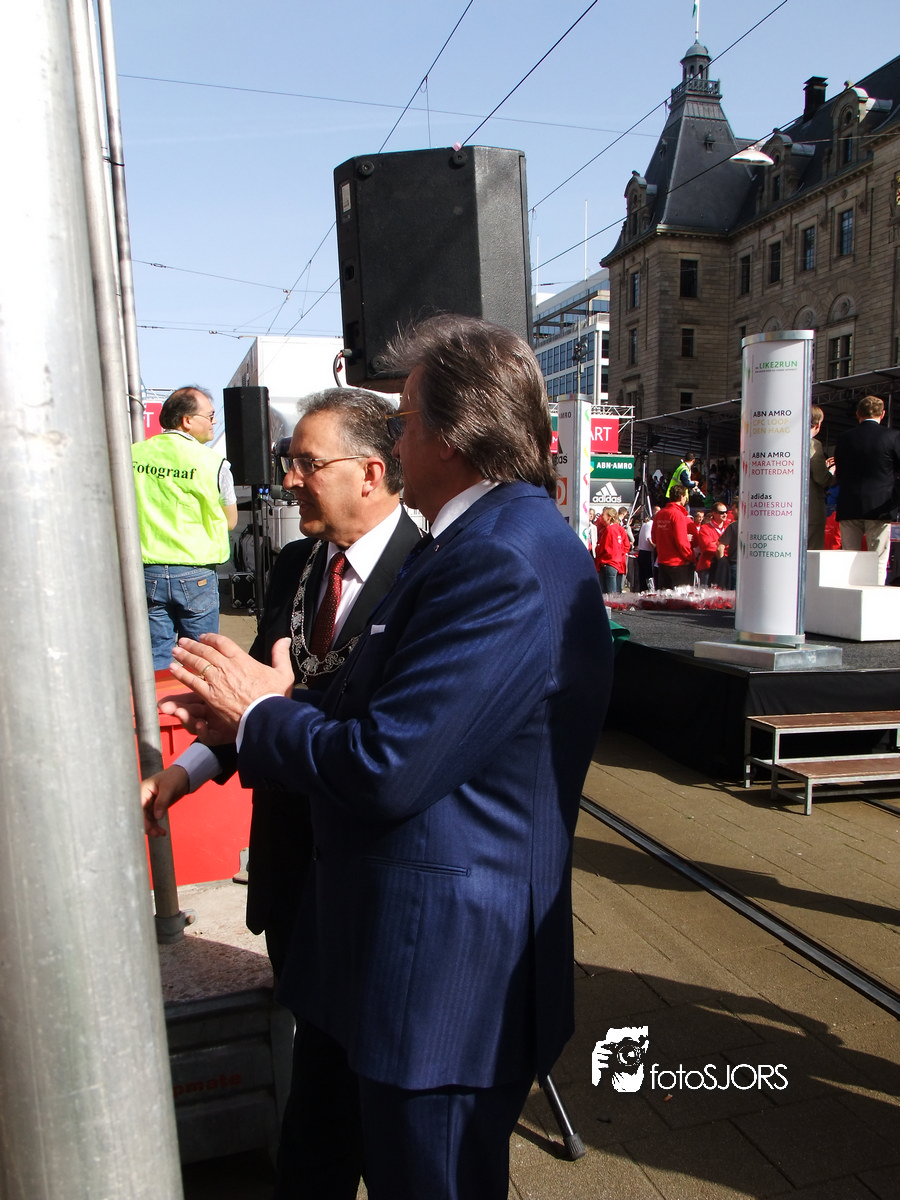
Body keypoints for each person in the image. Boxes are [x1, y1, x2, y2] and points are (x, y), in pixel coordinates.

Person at [159, 315, 612, 1200]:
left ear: (454, 433)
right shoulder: (478, 543)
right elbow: (391, 715)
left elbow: (388, 764)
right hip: (389, 958)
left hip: (441, 983)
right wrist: (270, 711)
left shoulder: (500, 559)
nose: (396, 443)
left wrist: (261, 713)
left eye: (404, 421)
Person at [141, 388, 421, 975]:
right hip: (287, 875)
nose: (289, 480)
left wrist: (276, 703)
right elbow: (251, 702)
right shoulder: (294, 562)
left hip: (368, 885)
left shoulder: (429, 575)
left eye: (307, 464)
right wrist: (181, 774)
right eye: (287, 463)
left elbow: (399, 744)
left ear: (370, 474)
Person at [132, 386, 238, 668]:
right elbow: (230, 521)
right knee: (201, 655)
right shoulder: (214, 463)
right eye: (210, 416)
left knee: (156, 654)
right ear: (187, 420)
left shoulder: (132, 456)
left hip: (147, 570)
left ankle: (159, 697)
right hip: (196, 571)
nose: (214, 422)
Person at [833, 395, 900, 583]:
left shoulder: (845, 438)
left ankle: (849, 595)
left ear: (858, 414)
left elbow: (840, 471)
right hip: (881, 506)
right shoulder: (893, 437)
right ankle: (875, 596)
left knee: (849, 558)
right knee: (878, 560)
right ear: (882, 414)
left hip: (849, 504)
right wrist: (895, 498)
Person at [651, 484, 696, 588]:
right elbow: (681, 541)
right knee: (680, 595)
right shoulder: (678, 515)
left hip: (662, 562)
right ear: (681, 497)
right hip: (678, 563)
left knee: (664, 595)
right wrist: (690, 557)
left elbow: (654, 539)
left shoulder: (659, 514)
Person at [808, 404, 834, 551]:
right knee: (811, 552)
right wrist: (831, 471)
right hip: (811, 509)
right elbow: (821, 478)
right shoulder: (814, 445)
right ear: (817, 425)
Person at [595, 505, 629, 593]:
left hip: (609, 562)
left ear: (609, 517)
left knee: (610, 594)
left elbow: (607, 547)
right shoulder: (615, 528)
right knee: (614, 592)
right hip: (615, 563)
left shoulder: (610, 529)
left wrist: (598, 550)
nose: (601, 517)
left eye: (603, 515)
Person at [636, 506, 659, 591]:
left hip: (642, 552)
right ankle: (647, 591)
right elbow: (649, 539)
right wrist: (656, 549)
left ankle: (643, 590)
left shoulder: (645, 524)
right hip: (647, 553)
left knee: (643, 576)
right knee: (648, 576)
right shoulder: (651, 525)